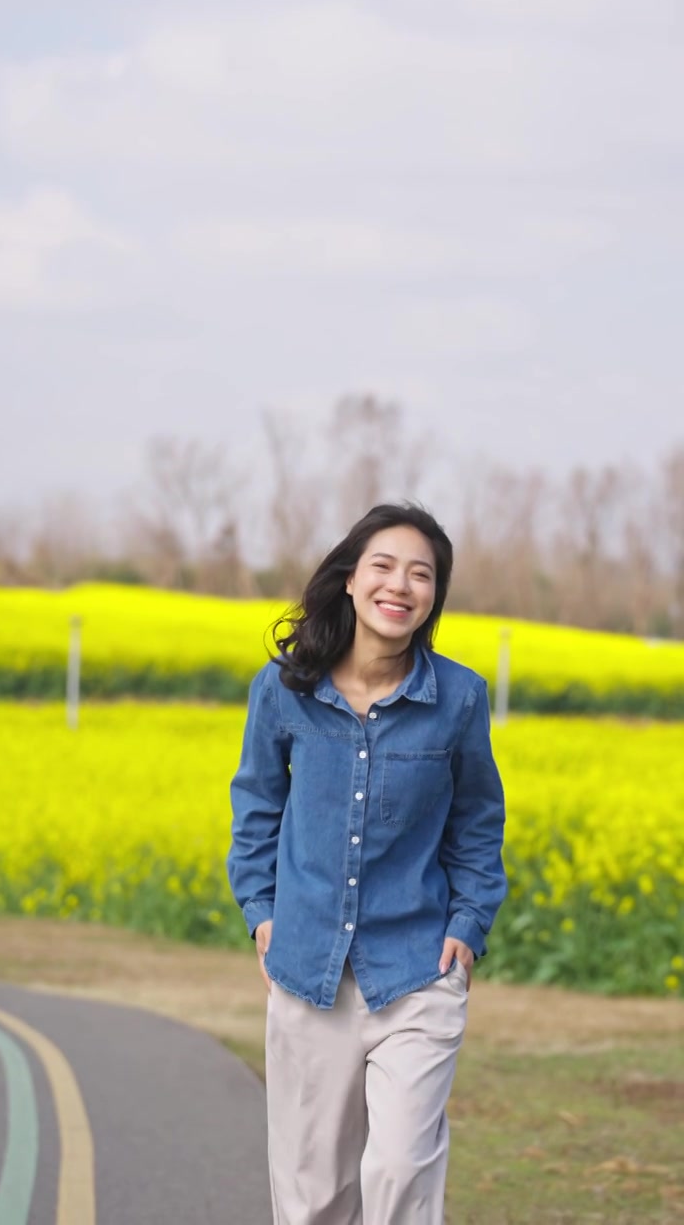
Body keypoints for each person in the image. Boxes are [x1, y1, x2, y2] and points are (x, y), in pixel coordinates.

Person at [226, 503, 507, 1225]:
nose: (401, 585)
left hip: (416, 970)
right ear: (351, 580)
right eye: (384, 566)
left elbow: (477, 822)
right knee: (313, 1194)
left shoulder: (459, 698)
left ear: (433, 596)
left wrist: (469, 925)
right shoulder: (284, 689)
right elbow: (256, 808)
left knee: (400, 1170)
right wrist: (261, 913)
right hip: (305, 969)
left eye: (422, 574)